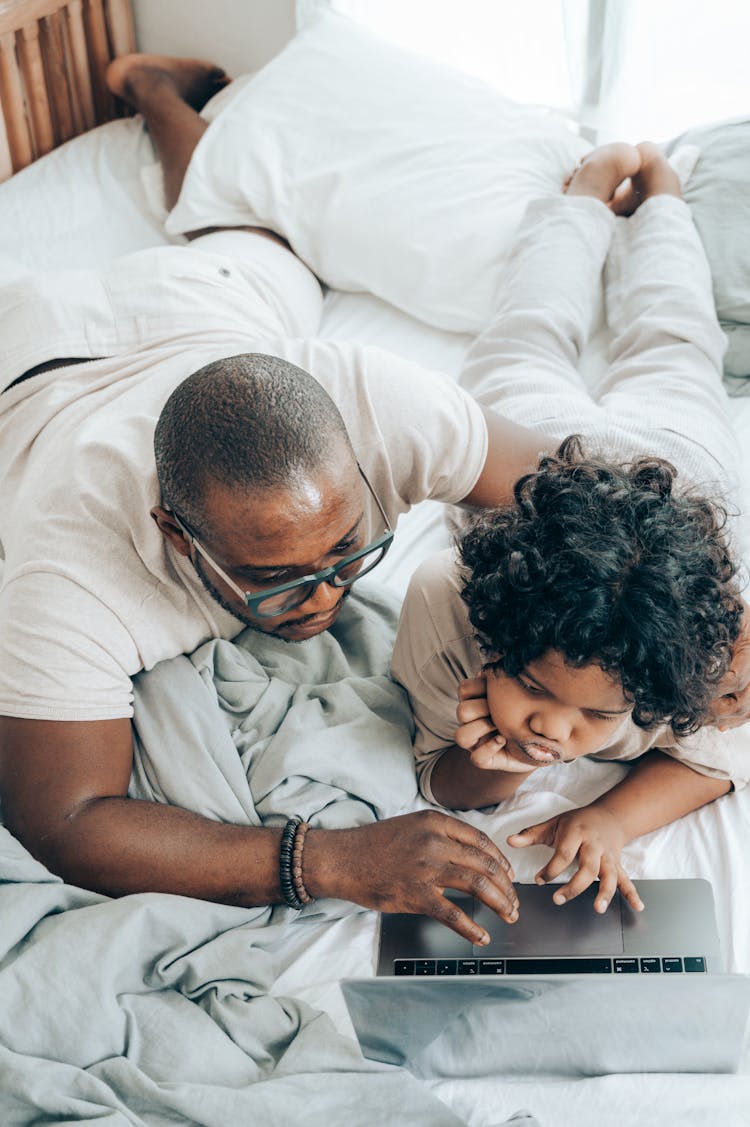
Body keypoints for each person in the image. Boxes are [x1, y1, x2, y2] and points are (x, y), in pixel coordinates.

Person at [391, 144, 748, 915]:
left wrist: (609, 816)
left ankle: (663, 198)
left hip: (676, 459)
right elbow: (438, 774)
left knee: (675, 334)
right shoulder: (445, 599)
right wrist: (497, 766)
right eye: (528, 685)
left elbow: (721, 757)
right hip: (539, 442)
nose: (551, 729)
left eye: (598, 716)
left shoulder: (696, 646)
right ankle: (582, 199)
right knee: (530, 327)